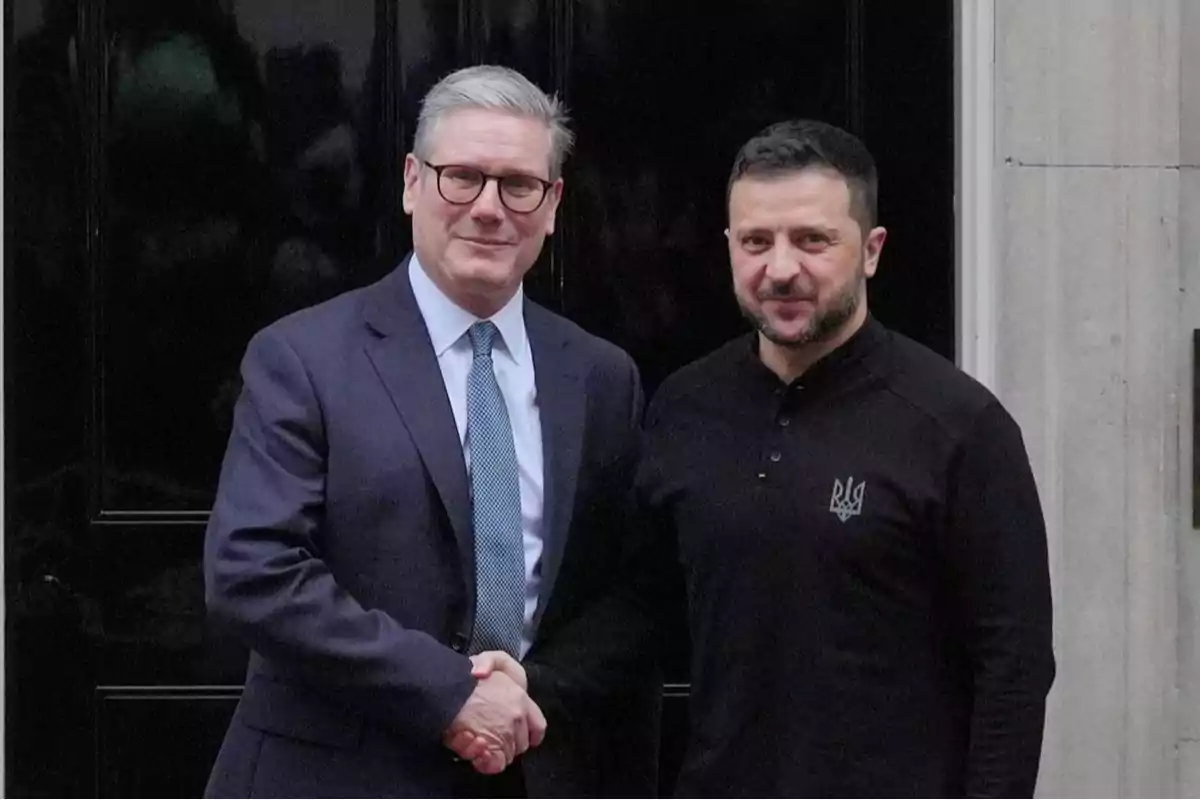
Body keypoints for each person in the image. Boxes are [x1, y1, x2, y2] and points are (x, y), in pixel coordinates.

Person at [203, 64, 660, 798]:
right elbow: (253, 572)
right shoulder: (303, 358)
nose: (489, 208)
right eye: (462, 178)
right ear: (413, 181)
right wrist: (448, 691)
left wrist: (531, 690)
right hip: (336, 775)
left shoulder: (603, 378)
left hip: (531, 772)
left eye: (518, 185)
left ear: (552, 206)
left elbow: (629, 594)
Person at [637, 119, 1056, 797]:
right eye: (755, 242)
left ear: (871, 250)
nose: (780, 269)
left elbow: (1014, 665)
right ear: (728, 248)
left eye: (813, 240)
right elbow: (639, 623)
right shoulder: (682, 410)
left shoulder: (959, 427)